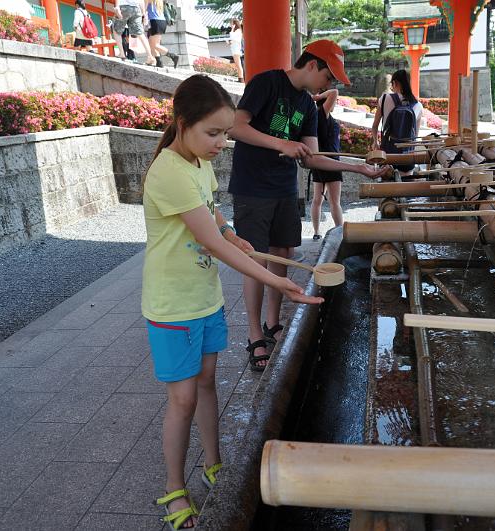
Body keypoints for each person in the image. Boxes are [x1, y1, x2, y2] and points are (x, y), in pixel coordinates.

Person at [143, 74, 323, 529]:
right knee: (182, 399)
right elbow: (212, 244)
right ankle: (171, 488)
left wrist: (233, 233)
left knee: (207, 384)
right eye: (213, 133)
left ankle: (214, 461)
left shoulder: (198, 163)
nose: (222, 142)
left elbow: (213, 219)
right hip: (172, 308)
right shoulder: (168, 171)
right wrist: (276, 282)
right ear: (181, 123)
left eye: (226, 132)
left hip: (203, 299)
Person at [228, 39, 388, 371]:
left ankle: (273, 323)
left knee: (282, 253)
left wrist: (356, 168)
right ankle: (255, 335)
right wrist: (281, 143)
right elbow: (236, 127)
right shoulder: (266, 83)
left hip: (286, 188)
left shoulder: (307, 105)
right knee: (256, 259)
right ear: (313, 64)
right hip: (253, 188)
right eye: (330, 77)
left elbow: (313, 157)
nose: (330, 85)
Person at [371, 68, 423, 176]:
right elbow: (415, 136)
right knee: (404, 188)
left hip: (388, 154)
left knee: (386, 189)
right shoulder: (418, 105)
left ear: (394, 83)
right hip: (407, 156)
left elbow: (375, 125)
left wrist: (375, 142)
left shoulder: (385, 98)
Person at [310, 88, 343, 240]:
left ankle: (316, 233)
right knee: (334, 202)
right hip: (331, 162)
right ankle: (341, 233)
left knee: (318, 199)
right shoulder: (321, 113)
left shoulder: (316, 116)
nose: (335, 102)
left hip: (319, 162)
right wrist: (317, 96)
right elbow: (334, 92)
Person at [113, 0, 155, 66]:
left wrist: (117, 6)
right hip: (136, 8)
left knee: (116, 30)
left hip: (124, 6)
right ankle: (150, 56)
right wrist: (144, 14)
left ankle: (122, 53)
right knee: (140, 33)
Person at [146, 0, 179, 68]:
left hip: (155, 21)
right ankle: (159, 62)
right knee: (152, 43)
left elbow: (143, 8)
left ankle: (173, 56)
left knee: (155, 44)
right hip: (162, 21)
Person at [227, 18, 244, 83]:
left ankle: (241, 78)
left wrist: (232, 29)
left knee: (238, 64)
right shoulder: (237, 31)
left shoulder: (238, 31)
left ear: (234, 24)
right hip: (235, 49)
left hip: (236, 50)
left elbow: (233, 37)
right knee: (237, 64)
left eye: (231, 23)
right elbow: (233, 39)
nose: (230, 25)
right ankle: (240, 77)